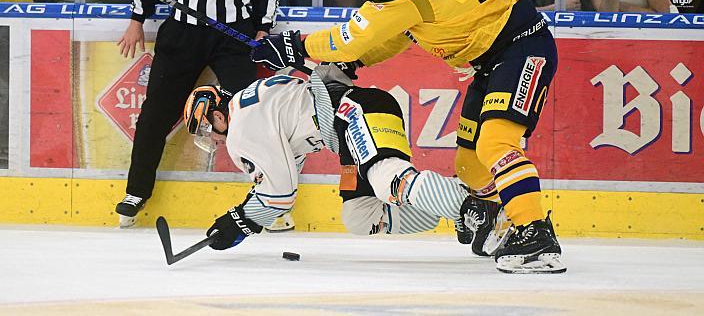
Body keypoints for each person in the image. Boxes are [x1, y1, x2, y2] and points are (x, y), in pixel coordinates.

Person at [251, 0, 567, 274]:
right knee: (469, 164)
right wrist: (356, 62)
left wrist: (294, 46)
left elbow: (351, 37)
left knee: (496, 143)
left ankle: (536, 233)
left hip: (520, 48)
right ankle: (503, 221)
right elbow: (399, 35)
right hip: (494, 59)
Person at [184, 65, 507, 261]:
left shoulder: (242, 128)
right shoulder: (254, 104)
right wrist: (245, 218)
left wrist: (237, 222)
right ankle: (456, 198)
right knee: (359, 217)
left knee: (386, 178)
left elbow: (280, 195)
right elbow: (282, 175)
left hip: (354, 113)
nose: (213, 140)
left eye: (206, 131)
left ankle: (485, 214)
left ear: (216, 115)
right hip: (352, 128)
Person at [114, 0, 280, 227]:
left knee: (252, 116)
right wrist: (137, 19)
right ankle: (136, 190)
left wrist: (262, 26)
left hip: (233, 35)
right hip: (182, 32)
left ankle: (270, 197)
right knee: (155, 114)